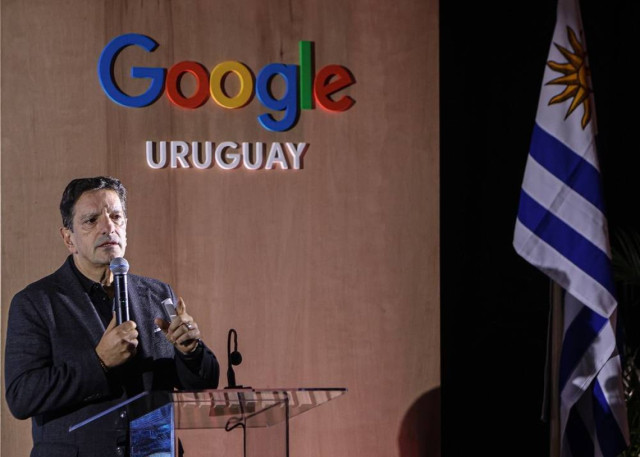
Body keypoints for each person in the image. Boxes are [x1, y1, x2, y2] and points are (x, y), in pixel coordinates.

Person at [4, 176, 220, 457]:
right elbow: (22, 396)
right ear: (68, 238)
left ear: (126, 227)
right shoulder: (36, 302)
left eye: (116, 216)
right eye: (92, 220)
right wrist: (99, 362)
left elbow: (204, 382)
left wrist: (190, 351)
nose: (109, 227)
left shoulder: (157, 293)